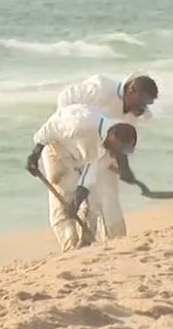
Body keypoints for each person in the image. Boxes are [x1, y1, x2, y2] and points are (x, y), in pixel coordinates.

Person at [53, 73, 158, 241]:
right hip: (66, 144)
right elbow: (64, 98)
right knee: (66, 196)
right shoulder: (101, 88)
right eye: (142, 103)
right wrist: (71, 129)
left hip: (100, 152)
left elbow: (122, 145)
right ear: (132, 90)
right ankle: (71, 244)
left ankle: (113, 241)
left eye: (146, 105)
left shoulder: (132, 115)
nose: (142, 109)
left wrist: (124, 169)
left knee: (107, 197)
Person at [25, 103, 139, 252]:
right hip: (57, 150)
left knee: (90, 201)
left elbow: (90, 174)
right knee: (62, 200)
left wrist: (78, 200)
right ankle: (70, 247)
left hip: (78, 157)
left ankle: (85, 241)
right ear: (113, 137)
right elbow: (50, 128)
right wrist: (35, 154)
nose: (116, 154)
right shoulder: (81, 123)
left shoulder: (108, 146)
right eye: (118, 149)